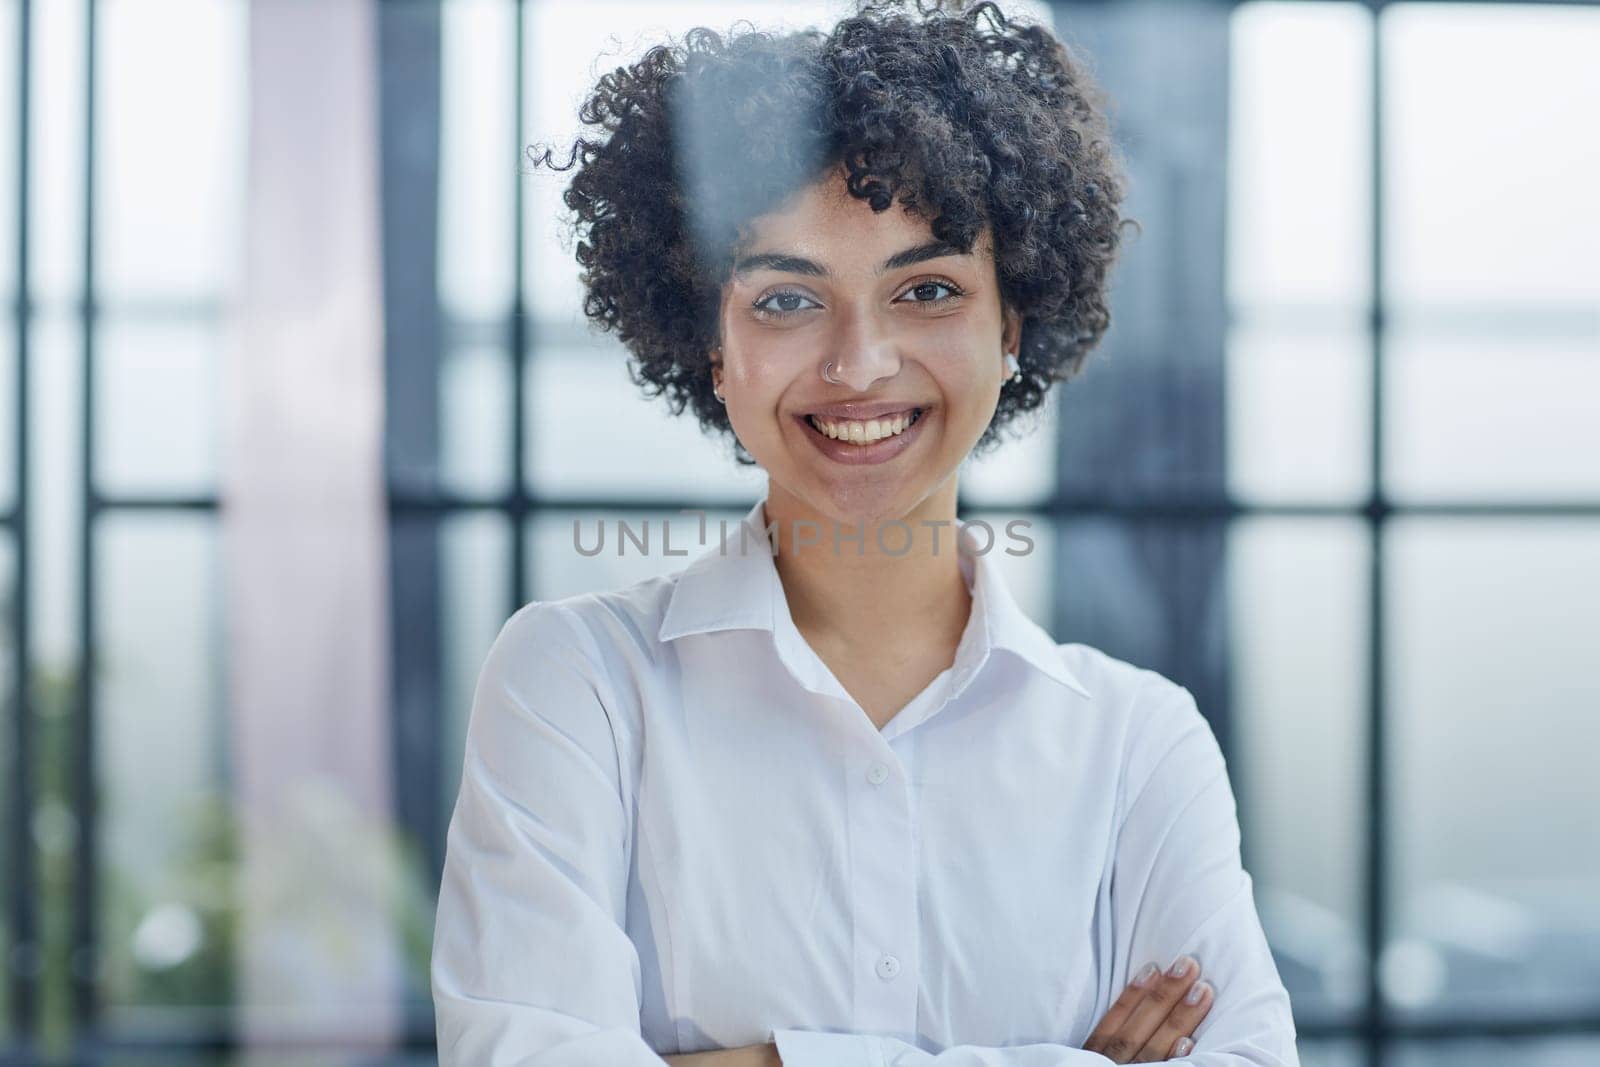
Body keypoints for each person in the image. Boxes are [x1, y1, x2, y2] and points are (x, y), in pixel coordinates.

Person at [430, 1, 1300, 1064]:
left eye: (926, 289)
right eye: (787, 299)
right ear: (712, 343)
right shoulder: (578, 684)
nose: (858, 365)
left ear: (1009, 325)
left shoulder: (1136, 744)